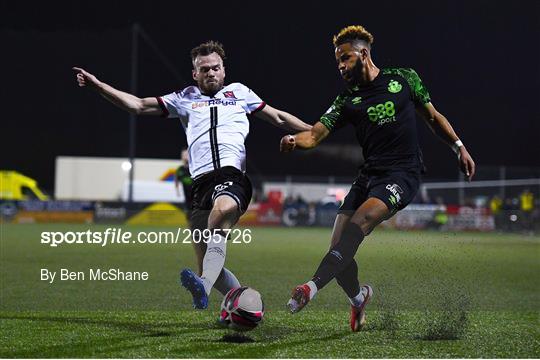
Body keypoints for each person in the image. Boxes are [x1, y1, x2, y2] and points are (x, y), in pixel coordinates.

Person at [74, 40, 311, 309]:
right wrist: (98, 86)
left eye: (216, 68)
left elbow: (278, 117)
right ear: (195, 74)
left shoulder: (240, 93)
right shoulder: (184, 98)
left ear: (224, 70)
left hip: (231, 177)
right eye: (204, 69)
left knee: (220, 214)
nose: (211, 72)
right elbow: (138, 105)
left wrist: (313, 132)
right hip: (200, 187)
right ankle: (250, 307)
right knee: (211, 266)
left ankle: (204, 287)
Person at [280, 25, 475, 331]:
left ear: (364, 54)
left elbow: (434, 118)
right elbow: (315, 135)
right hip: (369, 176)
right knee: (339, 252)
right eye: (338, 62)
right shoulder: (347, 99)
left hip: (402, 174)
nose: (341, 66)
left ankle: (309, 288)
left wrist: (459, 147)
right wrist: (295, 140)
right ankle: (359, 299)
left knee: (355, 228)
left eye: (345, 58)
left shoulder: (403, 78)